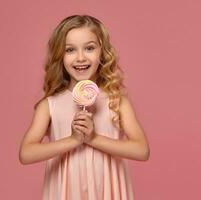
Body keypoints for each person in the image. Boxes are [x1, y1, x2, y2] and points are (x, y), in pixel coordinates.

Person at [19, 14, 150, 200]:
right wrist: (73, 140)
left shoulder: (117, 102)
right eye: (70, 50)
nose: (80, 57)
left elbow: (141, 150)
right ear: (60, 56)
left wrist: (93, 138)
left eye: (89, 48)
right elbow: (26, 153)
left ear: (102, 53)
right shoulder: (49, 105)